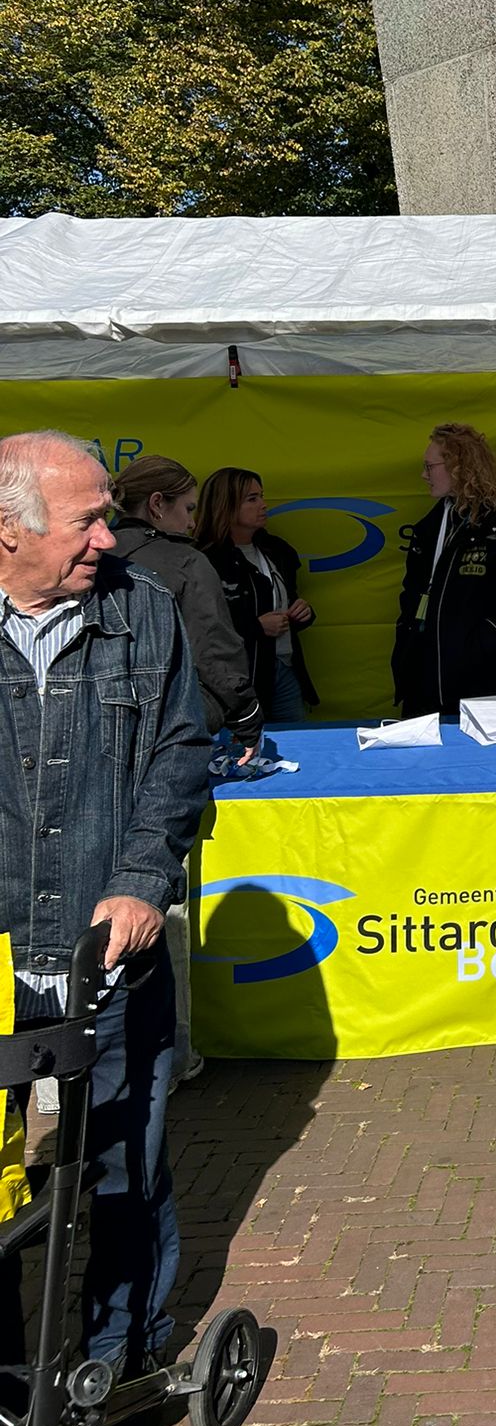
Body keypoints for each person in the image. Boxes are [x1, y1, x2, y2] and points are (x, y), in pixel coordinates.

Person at [0, 431, 208, 1371]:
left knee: (125, 1169)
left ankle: (116, 1368)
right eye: (87, 521)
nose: (110, 540)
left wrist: (139, 881)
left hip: (109, 959)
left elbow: (178, 758)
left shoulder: (143, 612)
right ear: (10, 531)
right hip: (2, 969)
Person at [111, 456, 264, 757]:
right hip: (166, 723)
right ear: (157, 504)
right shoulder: (186, 561)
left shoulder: (83, 558)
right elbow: (214, 649)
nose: (192, 523)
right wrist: (247, 717)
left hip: (88, 722)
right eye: (188, 509)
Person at [391, 423, 496, 720]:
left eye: (429, 466)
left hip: (482, 685)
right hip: (422, 684)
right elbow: (411, 597)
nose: (424, 475)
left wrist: (476, 647)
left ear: (459, 467)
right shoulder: (426, 529)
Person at [195, 469, 317, 723]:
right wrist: (256, 627)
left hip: (284, 668)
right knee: (241, 754)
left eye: (261, 496)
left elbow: (288, 600)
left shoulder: (277, 550)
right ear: (226, 504)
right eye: (251, 499)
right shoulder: (204, 559)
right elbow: (200, 625)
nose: (263, 505)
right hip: (236, 680)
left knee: (294, 750)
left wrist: (302, 613)